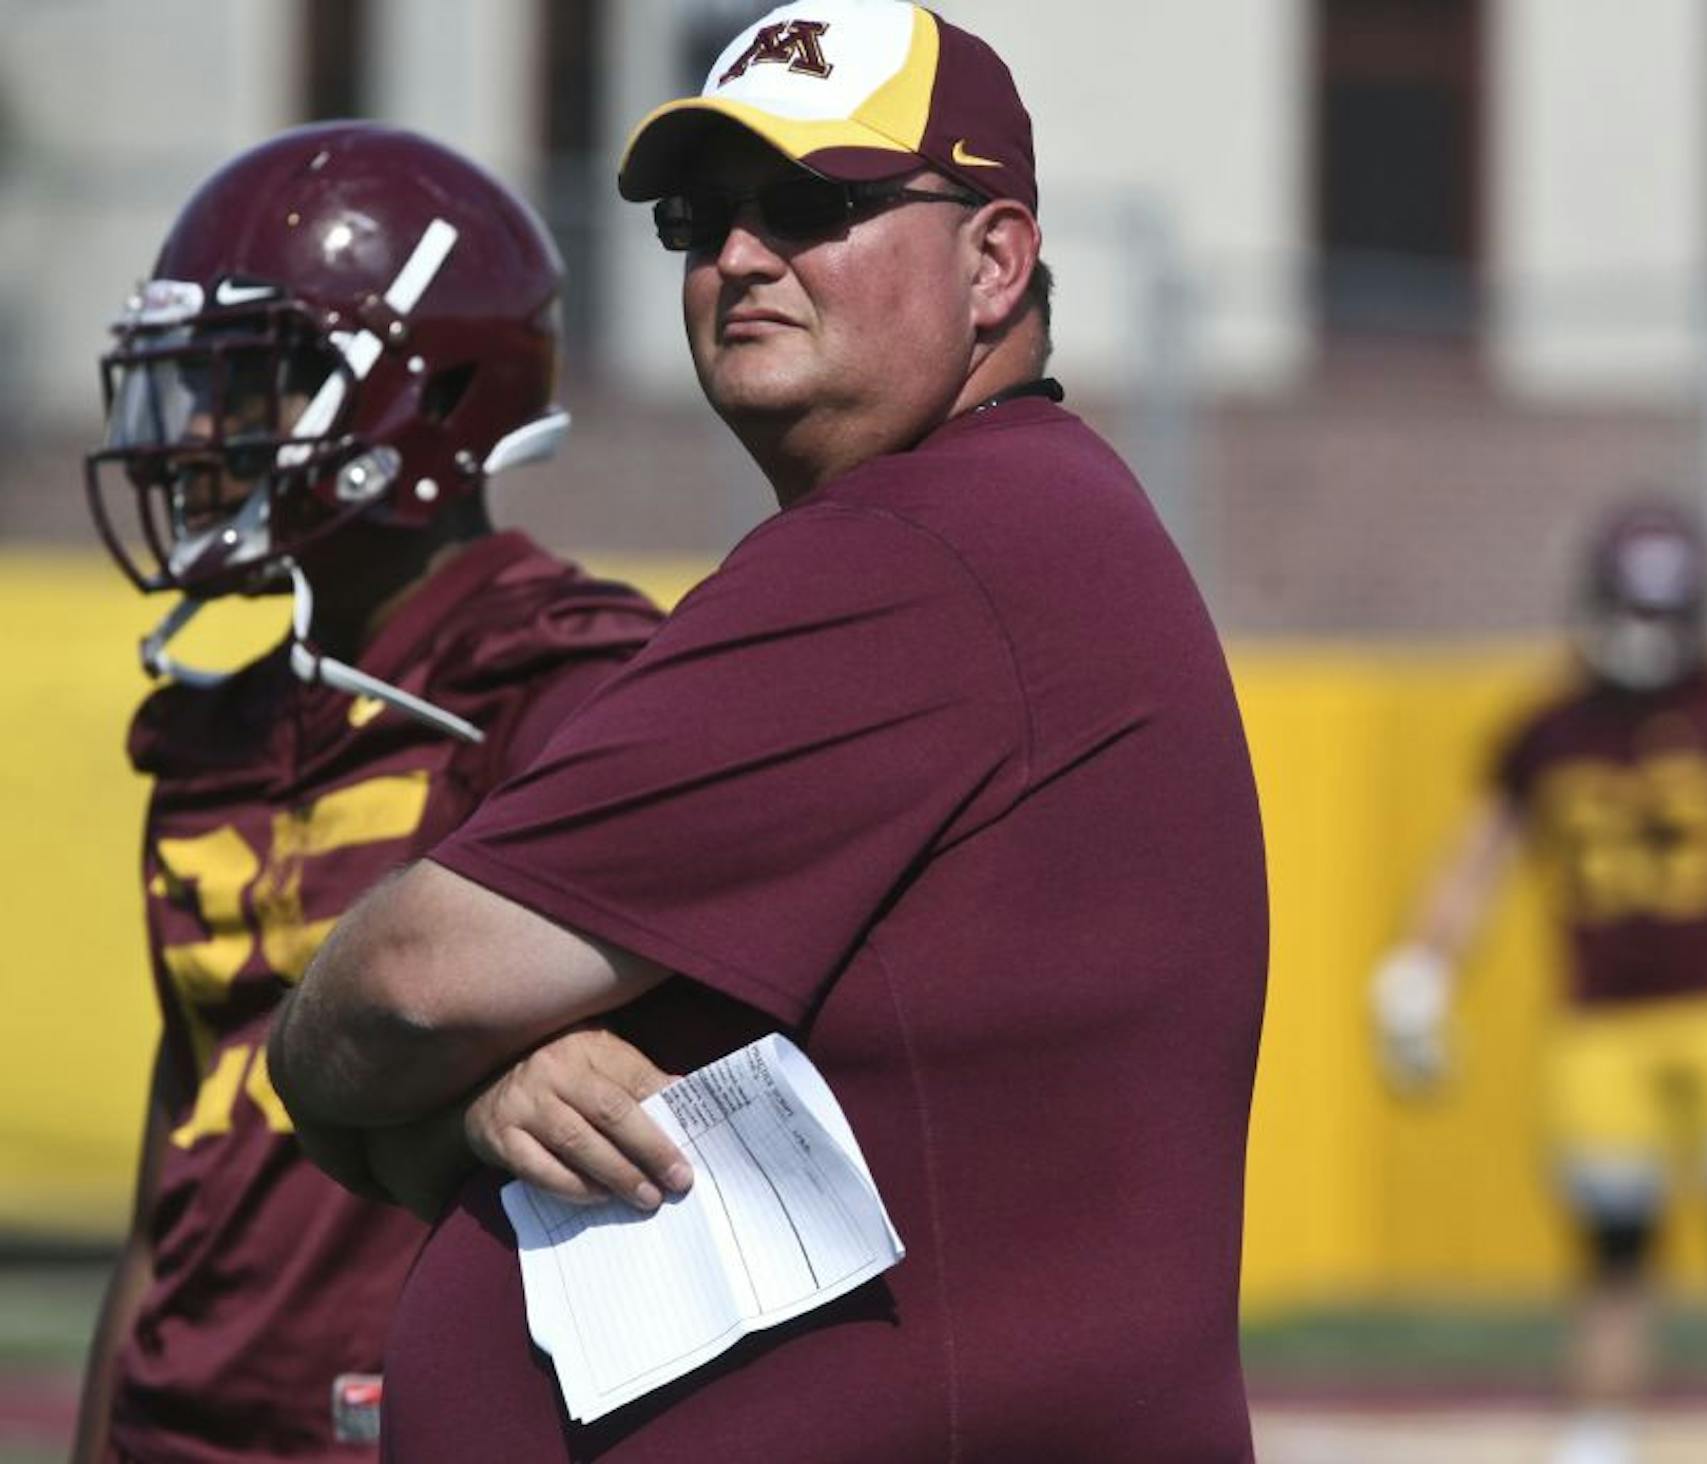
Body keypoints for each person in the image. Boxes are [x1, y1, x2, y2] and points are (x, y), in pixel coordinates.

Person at [267, 3, 1270, 1460]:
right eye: (699, 216)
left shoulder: (930, 548)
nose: (738, 255)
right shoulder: (995, 528)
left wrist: (361, 1063)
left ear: (993, 261)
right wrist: (471, 1100)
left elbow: (404, 989)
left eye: (811, 205)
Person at [70, 122, 663, 1462]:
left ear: (417, 399)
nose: (199, 438)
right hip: (182, 1418)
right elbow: (182, 1155)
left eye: (252, 384)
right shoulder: (217, 724)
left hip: (430, 1416)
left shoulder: (561, 681)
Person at [1368, 500, 1707, 1464]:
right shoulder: (1546, 729)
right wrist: (1424, 966)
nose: (1647, 636)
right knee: (1613, 1251)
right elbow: (1479, 860)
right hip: (1603, 1021)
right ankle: (1600, 1432)